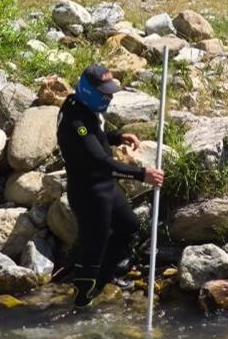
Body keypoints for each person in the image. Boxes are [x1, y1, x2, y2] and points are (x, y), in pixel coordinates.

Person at [56, 65, 165, 307]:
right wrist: (141, 174)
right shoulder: (74, 120)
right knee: (94, 247)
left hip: (105, 187)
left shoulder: (84, 108)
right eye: (104, 93)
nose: (109, 97)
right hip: (89, 193)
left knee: (128, 226)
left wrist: (117, 137)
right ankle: (81, 301)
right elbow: (99, 160)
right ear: (88, 91)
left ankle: (103, 280)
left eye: (110, 92)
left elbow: (96, 135)